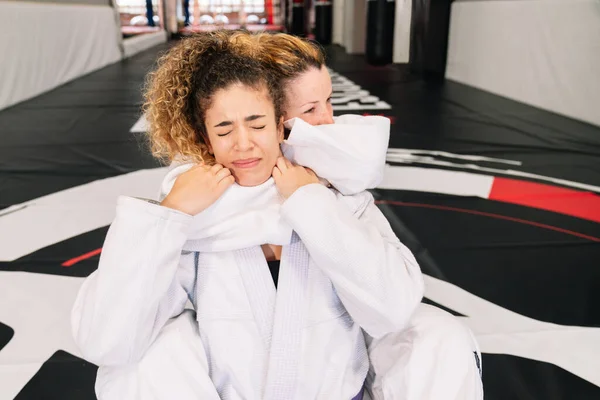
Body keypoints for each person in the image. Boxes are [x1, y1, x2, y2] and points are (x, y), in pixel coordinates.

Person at [71, 31, 424, 399]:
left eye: (257, 125)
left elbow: (393, 311)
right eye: (224, 129)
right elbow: (108, 341)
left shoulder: (337, 196)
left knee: (441, 340)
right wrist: (170, 214)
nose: (327, 124)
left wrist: (311, 204)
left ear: (277, 124)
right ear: (206, 137)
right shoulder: (194, 214)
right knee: (137, 370)